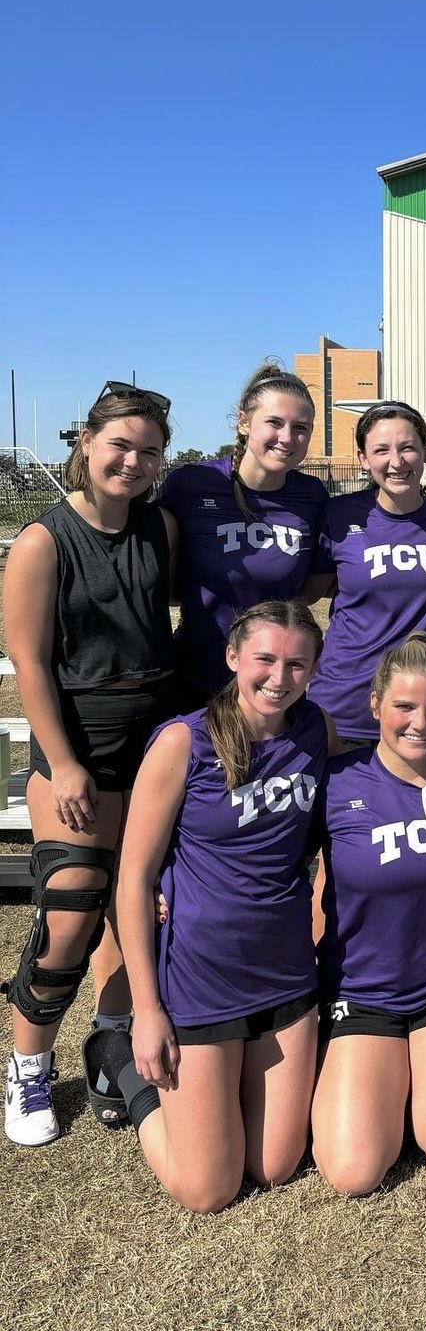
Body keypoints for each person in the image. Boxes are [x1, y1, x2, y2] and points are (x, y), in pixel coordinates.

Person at [3, 382, 178, 1147]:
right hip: (79, 740)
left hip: (156, 736)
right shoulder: (43, 541)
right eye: (121, 445)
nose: (133, 462)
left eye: (149, 451)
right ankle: (27, 1067)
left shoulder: (161, 526)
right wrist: (65, 764)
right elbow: (28, 661)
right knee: (71, 911)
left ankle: (111, 1042)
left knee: (141, 903)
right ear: (86, 442)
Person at [112, 600, 330, 1213]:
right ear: (233, 657)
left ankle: (212, 1100)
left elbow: (384, 761)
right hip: (201, 981)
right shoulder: (184, 742)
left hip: (286, 973)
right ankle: (130, 1079)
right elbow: (133, 879)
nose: (278, 678)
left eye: (296, 665)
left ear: (313, 670)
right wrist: (148, 1010)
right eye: (264, 660)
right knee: (208, 1191)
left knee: (276, 1167)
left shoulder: (313, 729)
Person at [311, 634, 426, 1191]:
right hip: (362, 989)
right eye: (404, 706)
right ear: (375, 706)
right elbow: (267, 856)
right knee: (352, 1173)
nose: (421, 722)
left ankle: (425, 1076)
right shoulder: (335, 781)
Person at [306, 403, 426, 743]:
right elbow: (310, 592)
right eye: (381, 450)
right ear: (363, 458)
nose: (396, 462)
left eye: (407, 447)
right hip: (342, 707)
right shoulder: (338, 515)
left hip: (417, 711)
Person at [159, 362, 327, 703]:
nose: (287, 437)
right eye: (274, 422)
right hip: (197, 683)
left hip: (275, 690)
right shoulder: (191, 484)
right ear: (243, 422)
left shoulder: (312, 497)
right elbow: (164, 578)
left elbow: (309, 590)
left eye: (300, 428)